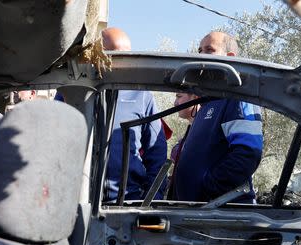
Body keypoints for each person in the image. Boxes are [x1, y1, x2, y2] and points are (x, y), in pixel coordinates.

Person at [172, 32, 263, 203]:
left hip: (220, 216)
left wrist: (208, 188)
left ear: (230, 58)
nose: (201, 56)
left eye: (209, 50)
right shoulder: (209, 104)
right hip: (196, 214)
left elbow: (247, 152)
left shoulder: (237, 99)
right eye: (199, 51)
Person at [99, 27, 167, 202]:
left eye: (125, 56)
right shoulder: (76, 93)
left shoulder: (142, 95)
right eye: (113, 55)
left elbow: (156, 152)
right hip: (79, 200)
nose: (120, 62)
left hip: (127, 201)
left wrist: (153, 199)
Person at [167, 92, 200, 199]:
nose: (175, 103)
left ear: (196, 97)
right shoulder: (192, 129)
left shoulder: (204, 132)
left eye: (179, 96)